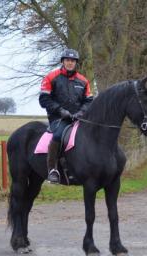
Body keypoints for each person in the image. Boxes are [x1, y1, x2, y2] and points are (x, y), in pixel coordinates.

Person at [39, 48, 93, 183]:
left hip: (78, 117)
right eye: (67, 60)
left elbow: (89, 101)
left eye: (73, 61)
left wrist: (80, 112)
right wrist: (61, 111)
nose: (70, 63)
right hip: (58, 118)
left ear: (76, 63)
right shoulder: (51, 77)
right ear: (63, 61)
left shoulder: (83, 81)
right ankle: (53, 169)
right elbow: (44, 99)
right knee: (59, 135)